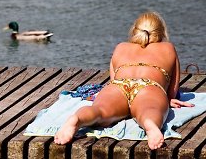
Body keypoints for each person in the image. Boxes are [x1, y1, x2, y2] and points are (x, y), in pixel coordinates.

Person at [54, 11, 194, 150]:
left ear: (134, 30)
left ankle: (77, 119)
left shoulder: (120, 47)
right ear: (161, 32)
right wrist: (167, 99)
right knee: (149, 109)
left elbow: (113, 79)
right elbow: (173, 91)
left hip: (118, 85)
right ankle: (150, 124)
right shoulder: (168, 47)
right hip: (148, 86)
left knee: (99, 111)